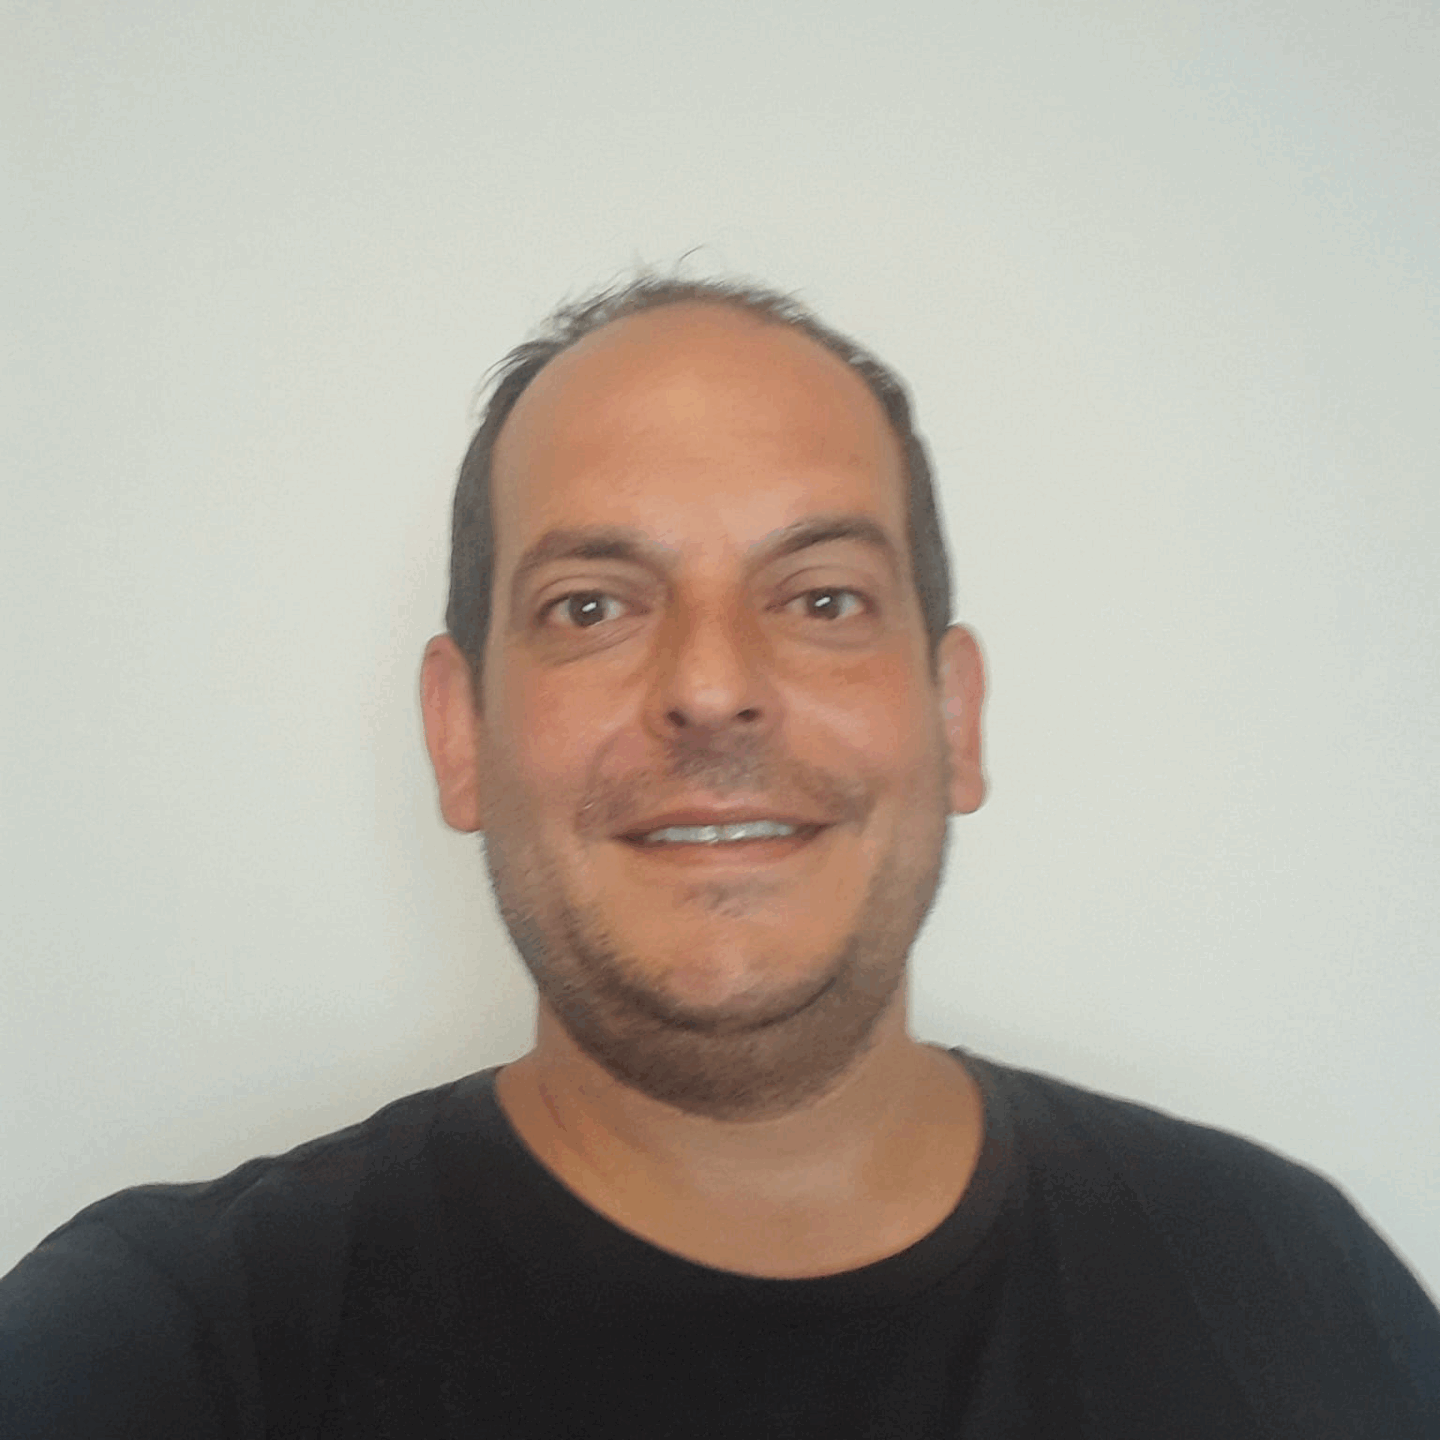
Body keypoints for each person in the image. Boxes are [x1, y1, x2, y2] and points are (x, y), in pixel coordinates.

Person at [2, 275, 1437, 1439]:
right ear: (458, 732)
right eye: (590, 606)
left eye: (821, 599)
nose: (710, 687)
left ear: (956, 718)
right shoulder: (161, 1349)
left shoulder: (1294, 1287)